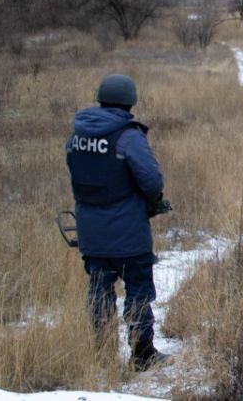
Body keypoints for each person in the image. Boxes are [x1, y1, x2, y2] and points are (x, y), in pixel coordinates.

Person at [66, 74, 171, 371]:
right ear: (130, 101)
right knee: (138, 289)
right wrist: (153, 199)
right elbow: (151, 182)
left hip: (90, 230)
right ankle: (142, 354)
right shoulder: (128, 135)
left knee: (99, 289)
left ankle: (101, 354)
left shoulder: (78, 134)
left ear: (100, 97)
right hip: (127, 231)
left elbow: (76, 173)